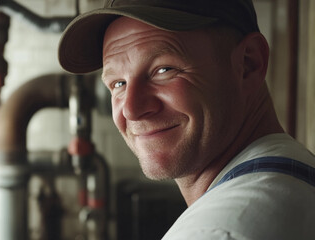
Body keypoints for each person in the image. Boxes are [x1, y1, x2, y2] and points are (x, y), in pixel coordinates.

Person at [58, 0, 315, 239]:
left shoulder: (219, 230)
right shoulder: (292, 178)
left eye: (164, 70)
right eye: (118, 83)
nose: (131, 110)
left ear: (248, 65)